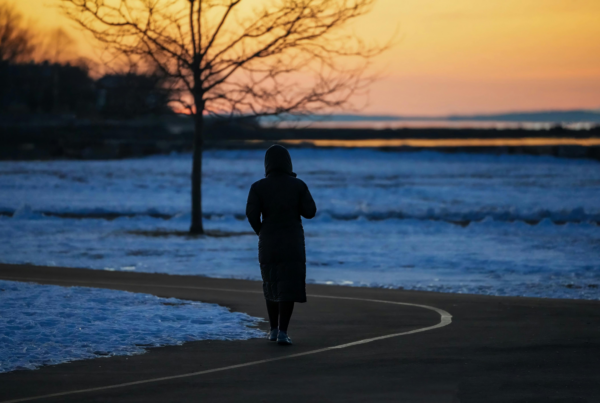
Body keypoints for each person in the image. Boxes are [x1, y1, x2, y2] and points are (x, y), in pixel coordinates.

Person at [246, 145, 317, 345]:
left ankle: (273, 330)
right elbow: (310, 211)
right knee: (289, 286)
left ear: (267, 164)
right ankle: (284, 332)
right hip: (292, 241)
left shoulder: (258, 186)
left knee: (271, 283)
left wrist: (261, 230)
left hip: (268, 240)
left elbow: (251, 214)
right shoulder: (298, 185)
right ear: (288, 162)